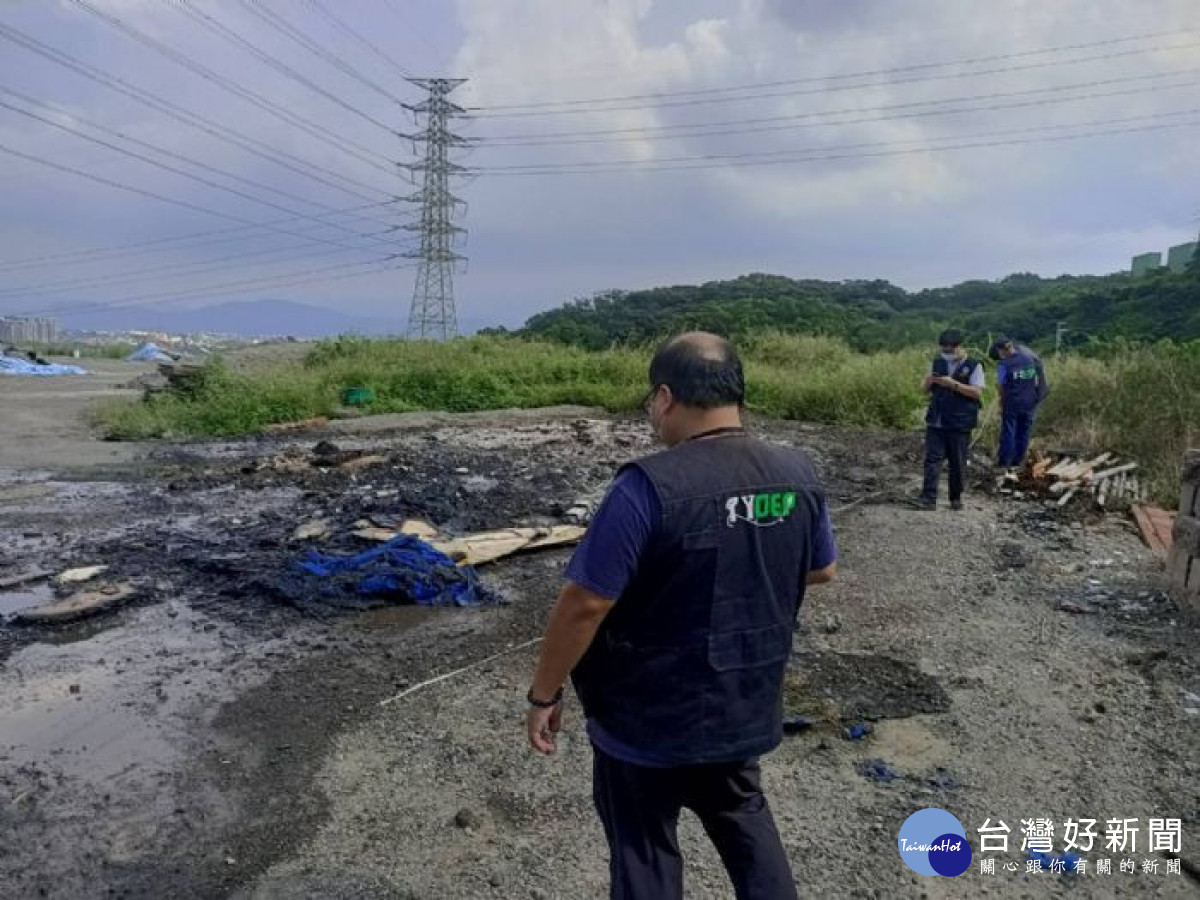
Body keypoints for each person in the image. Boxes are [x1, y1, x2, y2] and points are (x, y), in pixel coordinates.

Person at [524, 332, 838, 900]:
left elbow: (586, 602)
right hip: (741, 701)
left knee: (644, 848)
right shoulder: (796, 473)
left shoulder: (646, 485)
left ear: (665, 397)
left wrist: (544, 694)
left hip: (646, 720)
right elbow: (820, 570)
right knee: (746, 827)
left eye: (651, 402)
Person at [918, 329, 984, 510]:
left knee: (957, 461)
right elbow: (923, 389)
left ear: (960, 346)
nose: (947, 351)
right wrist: (930, 382)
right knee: (932, 460)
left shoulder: (973, 365)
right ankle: (928, 498)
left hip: (960, 422)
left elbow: (977, 392)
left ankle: (955, 498)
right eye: (944, 348)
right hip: (936, 420)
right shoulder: (936, 362)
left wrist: (952, 384)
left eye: (951, 348)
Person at [990, 335, 1049, 469]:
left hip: (1012, 402)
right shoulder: (1029, 358)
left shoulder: (1003, 365)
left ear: (1001, 350)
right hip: (1029, 401)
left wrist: (1001, 402)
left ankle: (1005, 462)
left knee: (1009, 431)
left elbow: (1001, 387)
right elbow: (1036, 380)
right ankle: (1018, 461)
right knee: (1024, 431)